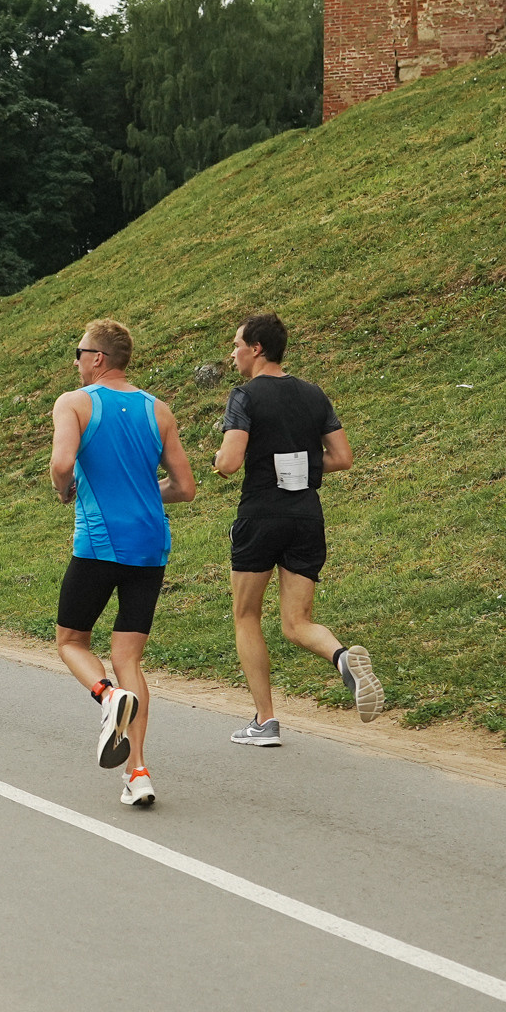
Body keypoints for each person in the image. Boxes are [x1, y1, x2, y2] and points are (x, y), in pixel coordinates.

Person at [213, 313, 384, 744]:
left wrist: (218, 461)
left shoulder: (245, 396)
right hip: (307, 517)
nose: (232, 354)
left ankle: (265, 721)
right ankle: (343, 658)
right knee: (296, 622)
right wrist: (303, 464)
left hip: (260, 516)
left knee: (246, 615)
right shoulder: (313, 394)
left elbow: (230, 463)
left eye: (236, 345)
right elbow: (342, 456)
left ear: (256, 348)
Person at [47, 320, 197, 809]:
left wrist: (63, 490)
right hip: (151, 545)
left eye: (79, 352)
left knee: (71, 640)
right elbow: (184, 488)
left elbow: (63, 463)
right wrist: (141, 495)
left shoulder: (75, 402)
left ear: (97, 359)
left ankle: (106, 696)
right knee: (129, 657)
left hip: (99, 542)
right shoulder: (159, 409)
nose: (75, 361)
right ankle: (138, 772)